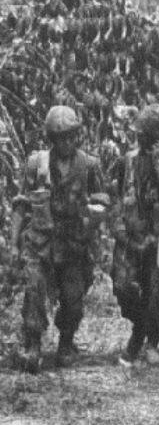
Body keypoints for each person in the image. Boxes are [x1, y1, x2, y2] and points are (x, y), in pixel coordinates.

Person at [11, 105, 106, 371]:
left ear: (77, 136)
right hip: (40, 241)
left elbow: (103, 202)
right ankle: (32, 344)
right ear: (51, 139)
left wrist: (94, 221)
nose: (67, 142)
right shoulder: (36, 164)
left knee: (73, 298)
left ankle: (66, 342)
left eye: (71, 136)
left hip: (73, 242)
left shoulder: (88, 165)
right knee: (34, 290)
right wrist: (12, 244)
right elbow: (20, 205)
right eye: (60, 137)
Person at [110, 104, 159, 367]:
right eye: (140, 135)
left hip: (157, 239)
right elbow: (115, 196)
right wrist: (120, 229)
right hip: (129, 236)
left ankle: (150, 342)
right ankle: (139, 326)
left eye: (147, 136)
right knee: (122, 287)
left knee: (155, 291)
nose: (141, 140)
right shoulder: (127, 160)